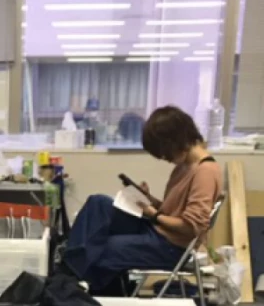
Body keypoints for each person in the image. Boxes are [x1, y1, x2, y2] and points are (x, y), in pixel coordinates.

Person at [63, 106, 223, 294]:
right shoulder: (184, 165)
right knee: (98, 203)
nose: (164, 158)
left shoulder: (205, 172)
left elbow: (191, 227)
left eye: (165, 152)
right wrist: (148, 198)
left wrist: (154, 215)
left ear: (175, 141)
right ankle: (69, 271)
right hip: (157, 231)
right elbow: (172, 210)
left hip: (171, 247)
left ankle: (72, 283)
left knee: (103, 247)